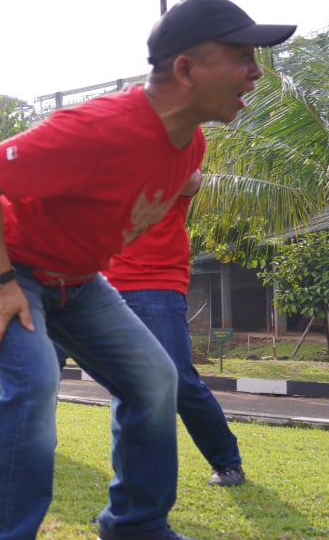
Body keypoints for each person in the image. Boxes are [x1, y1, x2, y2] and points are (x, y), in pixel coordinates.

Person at [0, 0, 294, 540]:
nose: (255, 73)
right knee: (33, 382)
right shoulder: (99, 128)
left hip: (75, 282)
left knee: (155, 378)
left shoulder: (190, 147)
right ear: (186, 69)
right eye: (243, 58)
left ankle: (134, 524)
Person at [104, 170, 246, 487]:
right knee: (124, 381)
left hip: (158, 284)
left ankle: (226, 462)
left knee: (179, 378)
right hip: (103, 285)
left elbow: (191, 181)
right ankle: (131, 479)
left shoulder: (170, 152)